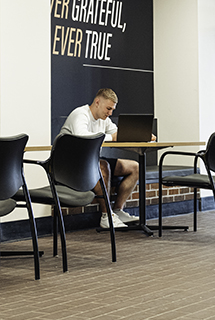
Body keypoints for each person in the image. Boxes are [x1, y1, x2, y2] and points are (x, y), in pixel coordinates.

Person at [60, 88, 154, 229]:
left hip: (90, 160)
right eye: (108, 108)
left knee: (135, 167)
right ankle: (106, 216)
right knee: (103, 166)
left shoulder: (105, 120)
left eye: (112, 110)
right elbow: (82, 136)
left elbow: (120, 134)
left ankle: (117, 210)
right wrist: (112, 137)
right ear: (97, 102)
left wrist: (142, 135)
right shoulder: (80, 114)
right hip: (70, 164)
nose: (110, 113)